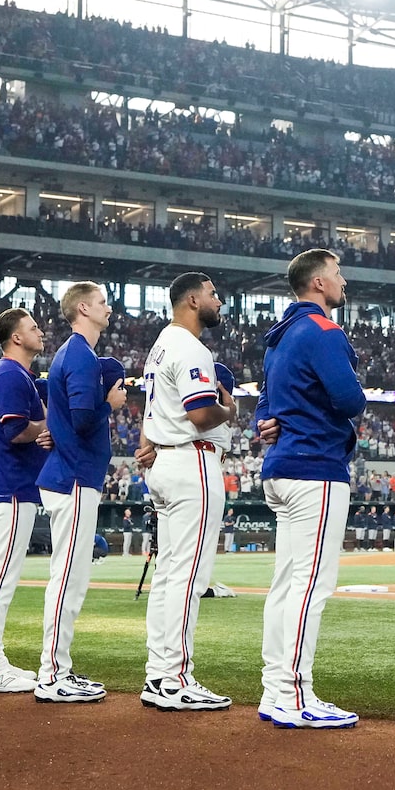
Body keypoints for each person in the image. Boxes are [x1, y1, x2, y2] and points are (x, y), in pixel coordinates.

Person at [254, 248, 364, 730]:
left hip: (281, 468)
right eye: (337, 275)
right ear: (318, 283)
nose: (343, 282)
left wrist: (267, 422)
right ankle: (294, 694)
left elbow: (265, 405)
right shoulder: (322, 330)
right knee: (310, 586)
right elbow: (350, 398)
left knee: (285, 585)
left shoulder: (278, 338)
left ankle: (274, 688)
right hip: (314, 467)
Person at [135, 272, 237, 711]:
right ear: (193, 300)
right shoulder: (190, 346)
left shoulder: (160, 345)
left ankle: (159, 676)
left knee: (169, 575)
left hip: (166, 460)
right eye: (213, 294)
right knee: (188, 577)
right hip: (190, 460)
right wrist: (229, 408)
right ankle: (175, 679)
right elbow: (200, 413)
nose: (218, 301)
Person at [35, 286, 126, 704]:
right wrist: (111, 402)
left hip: (72, 475)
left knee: (72, 577)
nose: (109, 308)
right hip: (72, 477)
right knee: (68, 578)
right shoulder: (79, 355)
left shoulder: (75, 354)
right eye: (103, 301)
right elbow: (85, 417)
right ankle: (52, 673)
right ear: (84, 308)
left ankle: (58, 668)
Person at [0, 307, 49, 695]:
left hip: (10, 486)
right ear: (16, 337)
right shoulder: (10, 375)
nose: (40, 331)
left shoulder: (15, 375)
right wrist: (50, 423)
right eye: (33, 328)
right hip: (10, 487)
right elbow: (17, 432)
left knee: (1, 578)